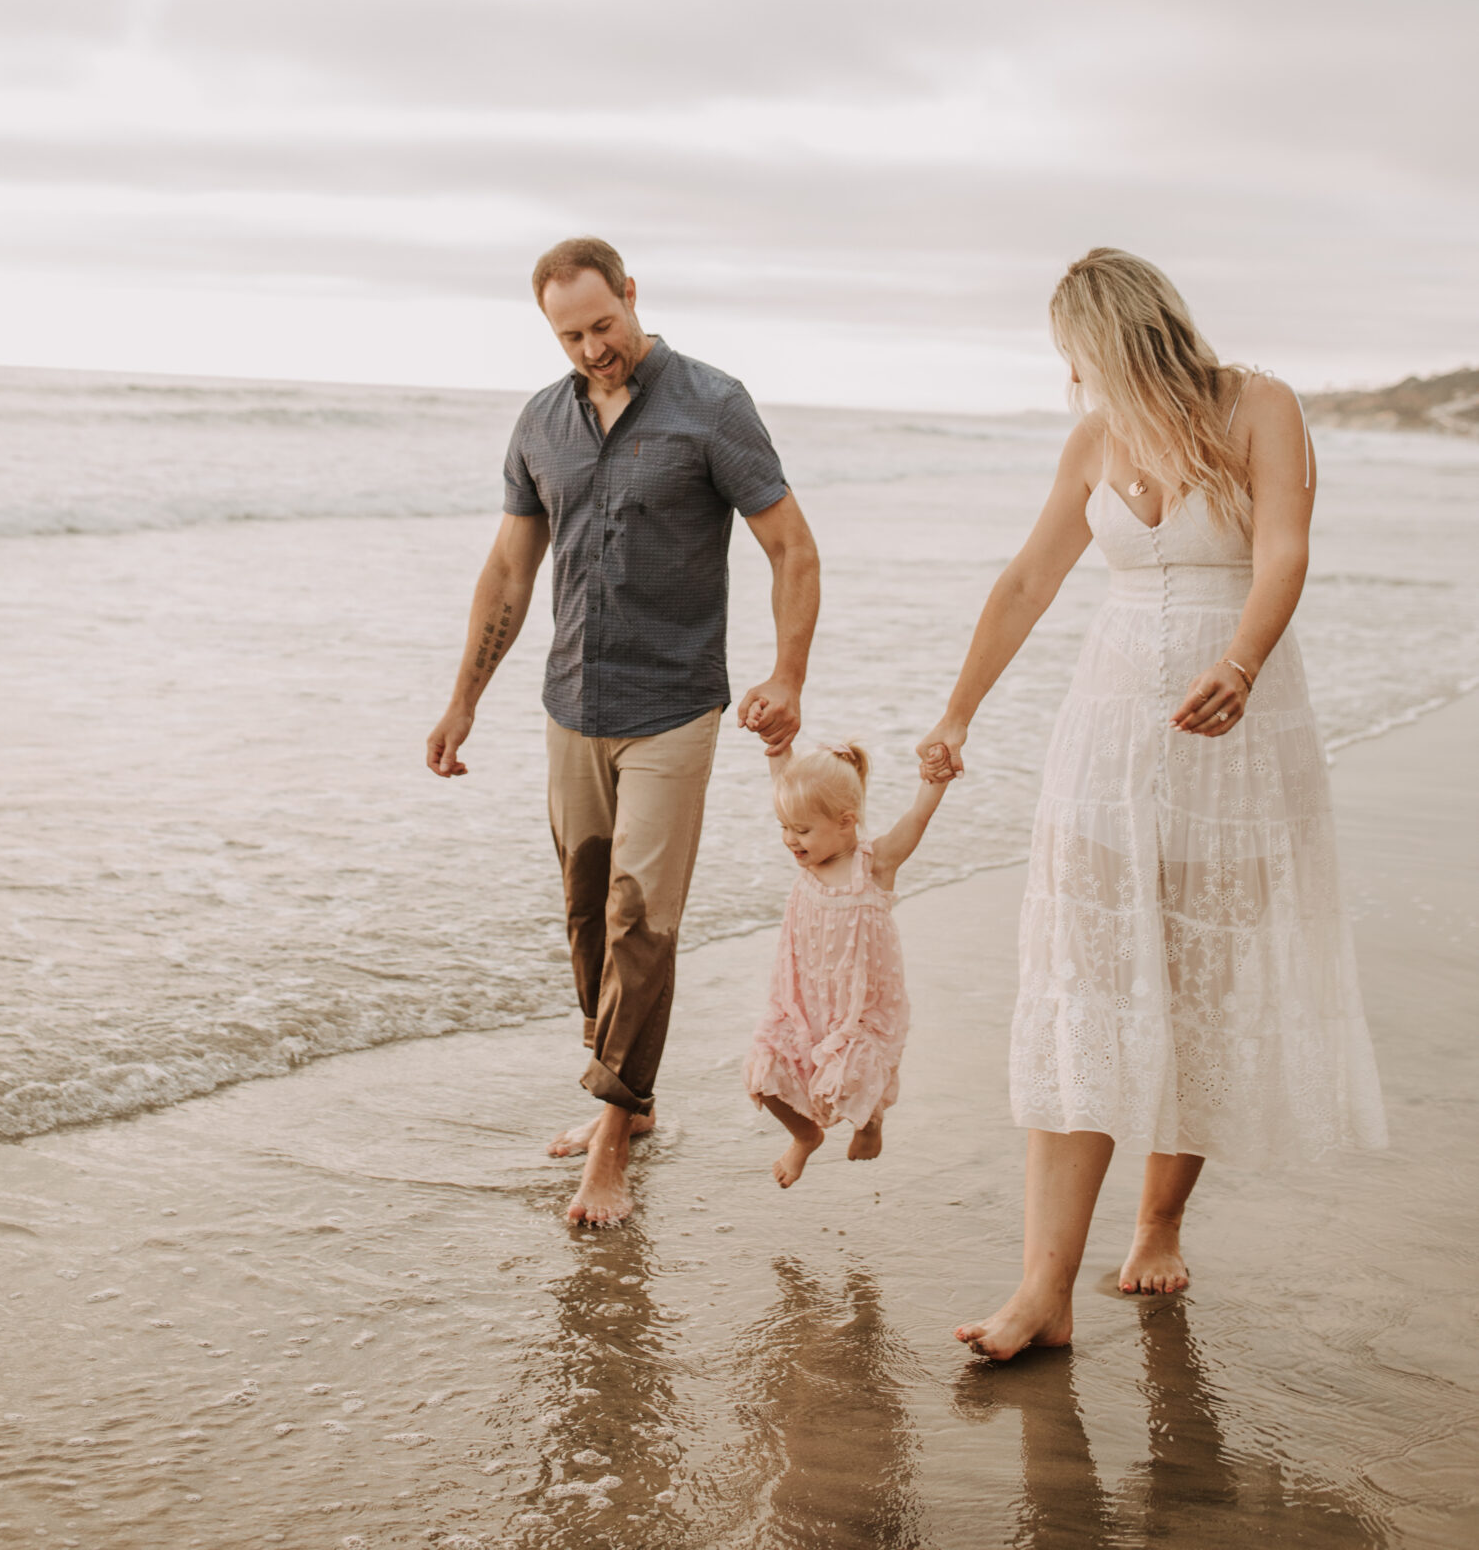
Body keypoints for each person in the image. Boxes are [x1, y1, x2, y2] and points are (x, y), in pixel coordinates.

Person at [916, 247, 1386, 1360]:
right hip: (1109, 731)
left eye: (1075, 357)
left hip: (1238, 733)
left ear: (1120, 339)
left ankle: (1160, 1218)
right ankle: (1044, 1288)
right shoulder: (1092, 441)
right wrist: (956, 713)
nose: (1071, 382)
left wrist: (1242, 660)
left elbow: (1283, 551)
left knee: (1202, 978)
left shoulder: (1263, 406)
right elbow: (1029, 578)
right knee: (1082, 984)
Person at [425, 236, 820, 1226]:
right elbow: (510, 571)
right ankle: (630, 1098)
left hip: (675, 705)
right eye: (572, 334)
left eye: (605, 324)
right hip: (573, 703)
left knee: (643, 922)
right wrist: (464, 696)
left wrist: (787, 674)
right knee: (588, 915)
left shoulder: (711, 405)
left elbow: (791, 546)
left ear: (633, 296)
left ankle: (609, 1137)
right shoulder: (541, 422)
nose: (594, 347)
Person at [744, 737, 950, 1186]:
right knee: (762, 1075)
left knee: (854, 1077)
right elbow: (784, 777)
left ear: (846, 822)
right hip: (800, 1001)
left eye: (799, 830)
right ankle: (805, 1137)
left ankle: (870, 1122)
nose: (789, 839)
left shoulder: (874, 867)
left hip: (856, 1008)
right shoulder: (809, 861)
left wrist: (935, 780)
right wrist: (776, 741)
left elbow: (918, 817)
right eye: (783, 826)